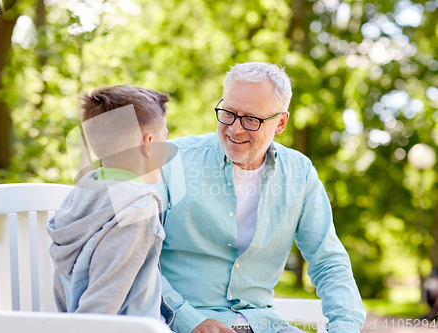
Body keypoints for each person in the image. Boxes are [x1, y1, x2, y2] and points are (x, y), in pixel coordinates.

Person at [155, 62, 366, 333]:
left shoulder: (299, 173)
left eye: (251, 120)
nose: (235, 129)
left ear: (280, 122)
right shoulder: (172, 161)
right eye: (228, 113)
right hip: (180, 323)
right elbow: (139, 257)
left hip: (264, 325)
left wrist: (345, 328)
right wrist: (189, 321)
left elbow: (328, 260)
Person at [47, 85, 173, 323]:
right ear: (149, 144)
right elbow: (99, 311)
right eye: (165, 138)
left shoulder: (83, 193)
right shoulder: (137, 207)